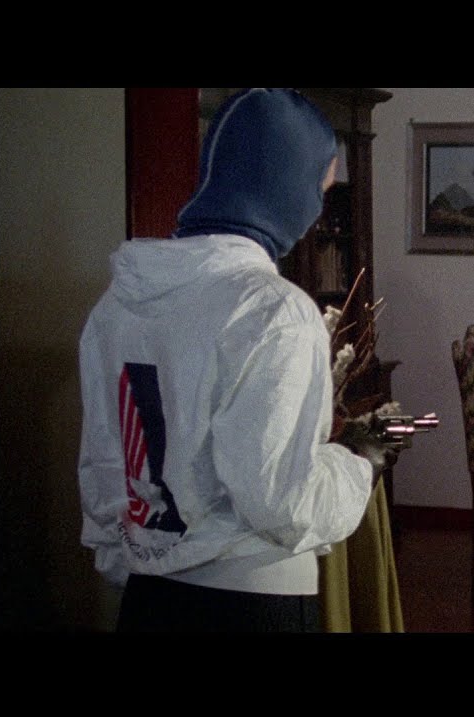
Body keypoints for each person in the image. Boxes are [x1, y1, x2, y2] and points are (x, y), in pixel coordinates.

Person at [77, 88, 394, 632]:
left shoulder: (120, 303)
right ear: (285, 186)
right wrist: (358, 467)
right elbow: (280, 502)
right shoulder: (274, 309)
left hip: (148, 597)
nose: (318, 210)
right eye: (318, 189)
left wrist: (134, 562)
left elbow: (105, 469)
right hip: (254, 600)